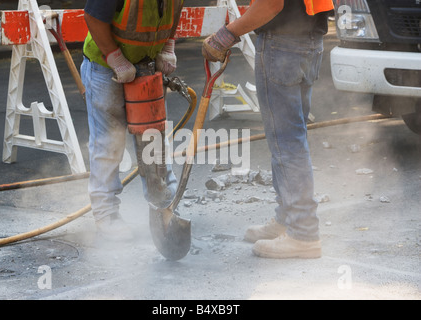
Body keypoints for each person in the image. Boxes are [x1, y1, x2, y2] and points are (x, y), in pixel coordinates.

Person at [202, 0, 334, 259]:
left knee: (287, 141)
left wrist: (226, 35)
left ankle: (303, 233)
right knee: (291, 136)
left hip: (282, 46)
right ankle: (287, 218)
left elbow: (271, 5)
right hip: (308, 42)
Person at [80, 0, 183, 240]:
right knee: (109, 144)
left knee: (153, 143)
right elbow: (93, 17)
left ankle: (164, 206)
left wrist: (168, 44)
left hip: (145, 64)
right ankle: (107, 215)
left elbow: (174, 9)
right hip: (105, 66)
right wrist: (115, 57)